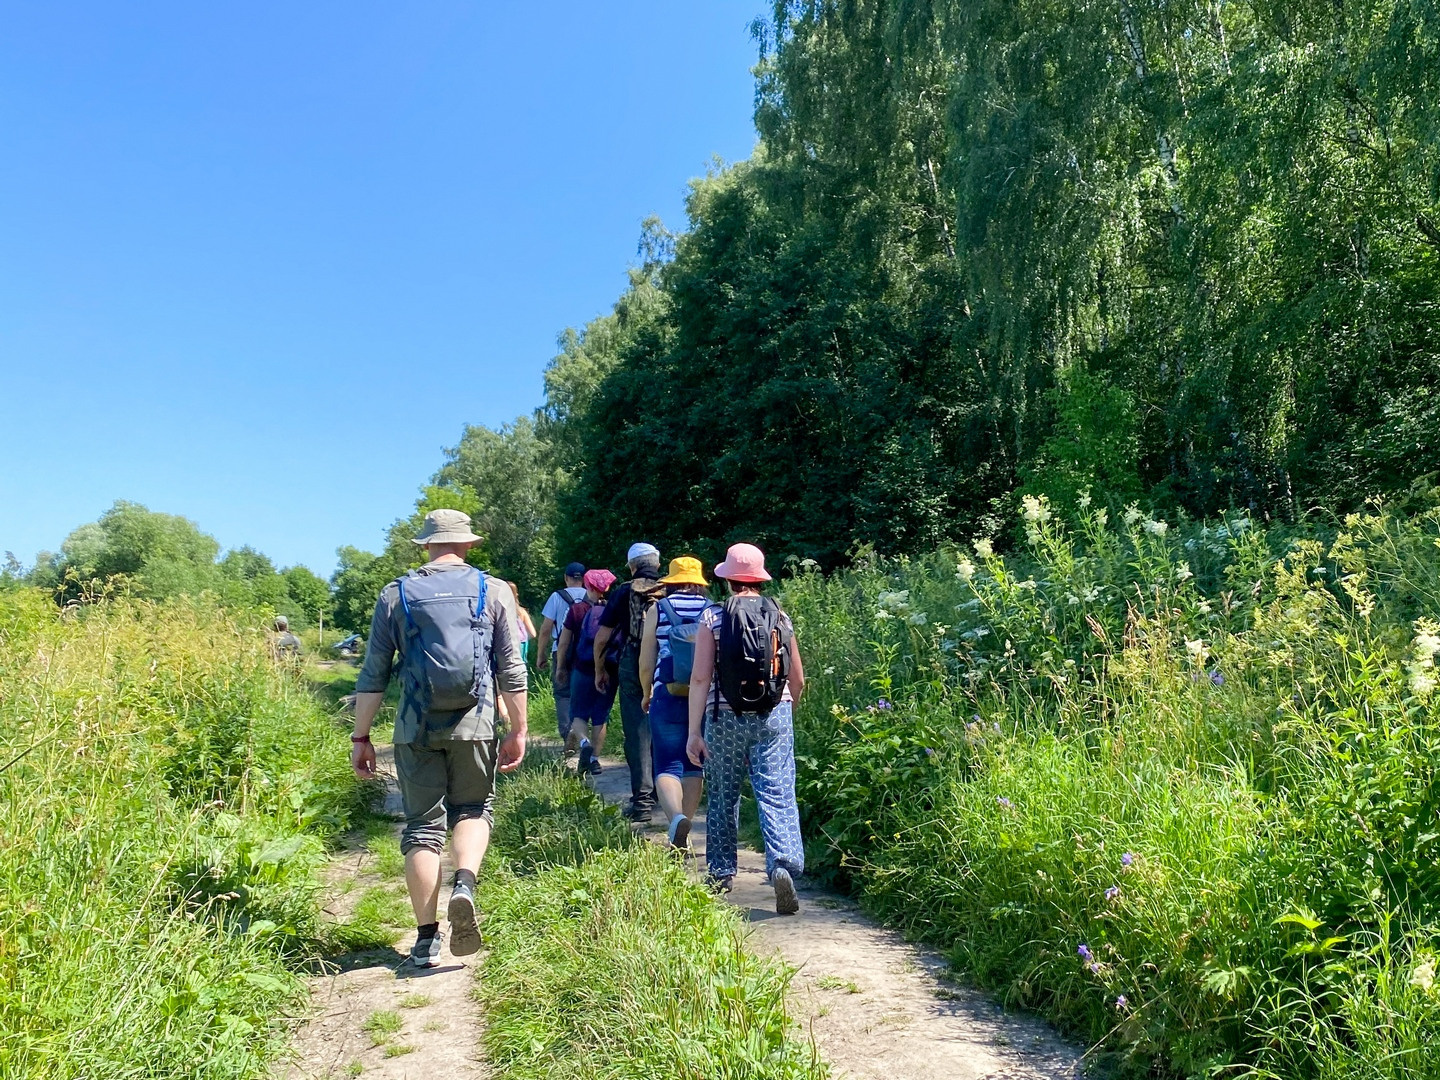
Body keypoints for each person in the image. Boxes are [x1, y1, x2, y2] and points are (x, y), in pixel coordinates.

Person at [350, 509, 528, 967]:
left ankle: (426, 938)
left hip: (415, 727)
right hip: (476, 724)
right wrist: (518, 728)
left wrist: (361, 736)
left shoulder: (396, 593)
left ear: (426, 544)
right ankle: (464, 882)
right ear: (467, 544)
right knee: (473, 809)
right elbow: (511, 668)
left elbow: (373, 674)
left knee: (422, 827)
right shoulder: (494, 590)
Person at [685, 543, 806, 915]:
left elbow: (700, 677)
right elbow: (798, 680)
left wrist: (694, 732)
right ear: (759, 579)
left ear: (728, 580)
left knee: (723, 793)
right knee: (777, 791)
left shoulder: (713, 617)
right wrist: (784, 713)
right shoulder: (780, 616)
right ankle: (782, 865)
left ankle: (721, 872)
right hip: (775, 712)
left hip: (725, 718)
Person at [638, 556, 710, 849]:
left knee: (667, 763)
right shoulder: (711, 609)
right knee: (694, 763)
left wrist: (646, 692)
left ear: (671, 582)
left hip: (666, 691)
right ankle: (685, 828)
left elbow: (646, 658)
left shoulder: (658, 608)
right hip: (703, 695)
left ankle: (676, 820)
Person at [591, 543, 664, 822]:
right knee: (666, 726)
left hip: (633, 660)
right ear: (657, 565)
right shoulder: (671, 588)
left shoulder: (623, 591)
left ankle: (642, 802)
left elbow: (602, 637)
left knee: (637, 730)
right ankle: (668, 795)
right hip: (667, 662)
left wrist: (600, 670)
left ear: (632, 567)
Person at [555, 568, 618, 777]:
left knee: (578, 713)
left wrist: (561, 667)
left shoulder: (576, 610)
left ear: (587, 585)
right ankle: (594, 760)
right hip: (609, 669)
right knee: (601, 715)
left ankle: (584, 743)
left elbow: (564, 642)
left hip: (582, 668)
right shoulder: (613, 609)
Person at [535, 562, 587, 747]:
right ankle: (583, 736)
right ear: (583, 578)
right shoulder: (591, 595)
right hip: (586, 651)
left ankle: (567, 734)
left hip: (561, 650)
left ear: (566, 578)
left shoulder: (557, 597)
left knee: (563, 693)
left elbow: (545, 629)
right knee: (583, 692)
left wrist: (541, 654)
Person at [507, 581, 537, 665]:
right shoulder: (521, 611)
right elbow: (533, 634)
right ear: (516, 594)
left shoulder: (498, 611)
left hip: (503, 645)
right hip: (521, 644)